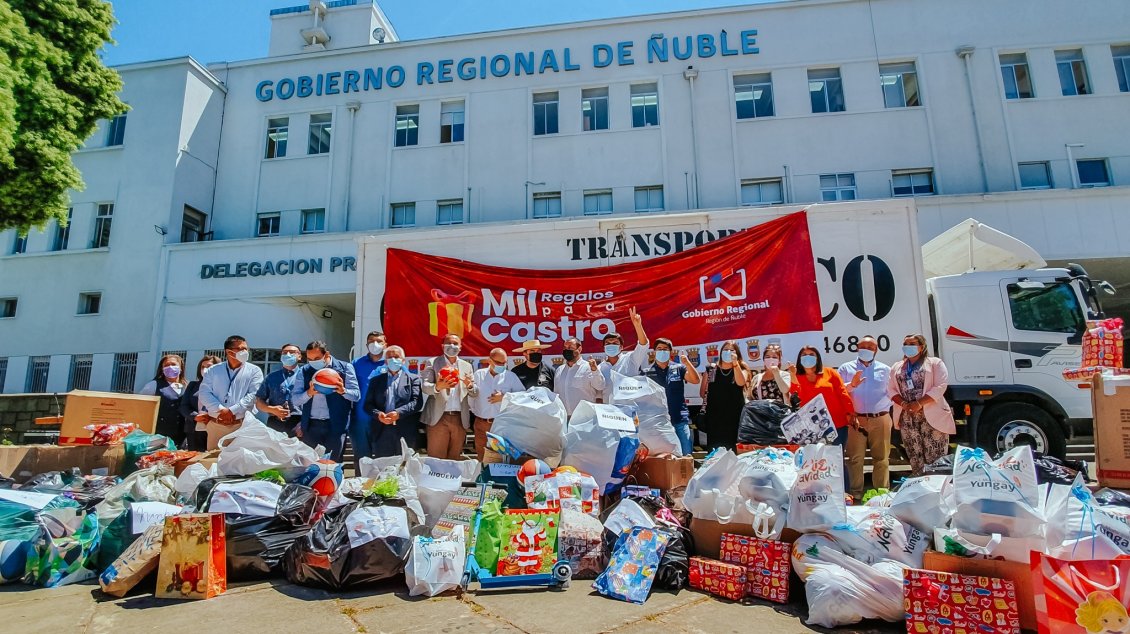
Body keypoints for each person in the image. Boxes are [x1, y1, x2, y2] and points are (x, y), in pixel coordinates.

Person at [791, 345, 858, 494]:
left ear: (818, 357)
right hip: (810, 430)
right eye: (804, 355)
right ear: (799, 359)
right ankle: (819, 494)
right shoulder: (795, 376)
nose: (808, 357)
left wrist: (851, 413)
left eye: (811, 354)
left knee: (836, 460)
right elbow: (793, 398)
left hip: (836, 425)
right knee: (814, 462)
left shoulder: (830, 373)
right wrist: (792, 377)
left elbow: (842, 393)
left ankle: (844, 494)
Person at [889, 333, 955, 476]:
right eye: (905, 344)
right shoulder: (897, 366)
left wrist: (919, 403)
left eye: (912, 344)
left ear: (921, 347)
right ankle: (919, 486)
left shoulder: (935, 363)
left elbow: (940, 386)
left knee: (935, 455)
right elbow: (890, 389)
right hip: (907, 417)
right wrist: (905, 404)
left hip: (931, 415)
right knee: (914, 454)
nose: (908, 347)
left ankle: (938, 488)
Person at [838, 336, 893, 500]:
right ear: (856, 348)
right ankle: (855, 494)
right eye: (863, 346)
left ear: (876, 350)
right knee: (855, 459)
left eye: (870, 347)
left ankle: (882, 495)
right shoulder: (845, 368)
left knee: (881, 458)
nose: (866, 349)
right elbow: (840, 394)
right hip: (855, 420)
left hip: (880, 418)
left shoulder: (886, 370)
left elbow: (893, 392)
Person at [291, 341, 360, 462]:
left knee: (332, 464)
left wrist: (343, 391)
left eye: (317, 358)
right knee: (310, 465)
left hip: (336, 426)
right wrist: (309, 393)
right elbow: (295, 400)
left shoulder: (344, 367)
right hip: (312, 426)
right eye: (310, 359)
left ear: (326, 355)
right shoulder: (304, 371)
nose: (313, 362)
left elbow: (356, 395)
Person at [198, 335, 265, 450]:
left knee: (240, 463)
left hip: (241, 425)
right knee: (214, 462)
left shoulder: (254, 371)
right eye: (241, 349)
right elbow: (204, 393)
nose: (245, 352)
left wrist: (232, 411)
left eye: (246, 349)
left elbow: (254, 394)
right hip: (217, 425)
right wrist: (221, 410)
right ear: (229, 352)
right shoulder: (213, 370)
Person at [421, 334, 478, 460]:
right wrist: (438, 387)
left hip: (459, 418)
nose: (452, 346)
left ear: (461, 347)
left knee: (454, 459)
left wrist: (469, 386)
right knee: (436, 460)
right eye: (448, 343)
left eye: (455, 343)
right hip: (439, 417)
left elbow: (474, 392)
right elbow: (425, 386)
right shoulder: (433, 362)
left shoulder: (467, 366)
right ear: (442, 346)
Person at [644, 338, 701, 455]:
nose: (662, 351)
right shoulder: (646, 372)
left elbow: (695, 380)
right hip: (658, 421)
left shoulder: (679, 368)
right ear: (654, 352)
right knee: (664, 456)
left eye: (665, 349)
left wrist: (687, 363)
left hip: (679, 418)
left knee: (686, 454)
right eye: (659, 349)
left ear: (670, 352)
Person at [363, 345, 422, 459]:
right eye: (390, 357)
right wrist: (378, 414)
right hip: (382, 430)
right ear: (385, 361)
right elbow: (367, 405)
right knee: (384, 465)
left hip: (405, 430)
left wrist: (398, 413)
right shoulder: (376, 381)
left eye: (396, 356)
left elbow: (416, 403)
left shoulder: (413, 379)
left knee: (405, 464)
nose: (393, 359)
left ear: (403, 360)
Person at [470, 347, 526, 460]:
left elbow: (523, 397)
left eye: (504, 362)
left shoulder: (510, 376)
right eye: (499, 362)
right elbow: (471, 398)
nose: (502, 365)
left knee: (501, 459)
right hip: (481, 424)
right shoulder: (478, 375)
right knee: (482, 458)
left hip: (501, 425)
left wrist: (504, 397)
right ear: (490, 361)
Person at [700, 340, 750, 450]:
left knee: (734, 449)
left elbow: (741, 382)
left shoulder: (741, 367)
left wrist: (735, 364)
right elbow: (703, 392)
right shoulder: (712, 368)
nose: (728, 352)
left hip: (735, 417)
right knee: (715, 450)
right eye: (726, 349)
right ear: (721, 352)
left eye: (732, 350)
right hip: (715, 417)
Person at [598, 307, 650, 401]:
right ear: (604, 347)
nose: (611, 345)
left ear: (621, 347)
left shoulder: (631, 359)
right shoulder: (600, 368)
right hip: (608, 413)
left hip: (629, 411)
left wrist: (638, 326)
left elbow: (643, 345)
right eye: (608, 343)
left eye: (615, 343)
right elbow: (598, 393)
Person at [352, 331, 388, 461]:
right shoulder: (356, 363)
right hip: (361, 418)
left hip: (384, 418)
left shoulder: (392, 362)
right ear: (367, 345)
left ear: (385, 344)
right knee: (362, 459)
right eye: (371, 341)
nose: (375, 344)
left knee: (384, 459)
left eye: (379, 341)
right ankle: (361, 481)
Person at [139, 354, 187, 447]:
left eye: (173, 364)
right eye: (166, 365)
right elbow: (141, 406)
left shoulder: (187, 386)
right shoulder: (153, 385)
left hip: (181, 436)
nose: (170, 367)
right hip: (160, 435)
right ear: (162, 369)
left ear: (181, 368)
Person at [255, 343, 303, 437]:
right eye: (284, 352)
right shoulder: (272, 377)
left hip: (299, 423)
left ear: (300, 356)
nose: (288, 355)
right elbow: (259, 401)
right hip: (275, 422)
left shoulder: (306, 376)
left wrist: (304, 423)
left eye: (292, 352)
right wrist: (272, 409)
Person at [553, 337, 605, 415]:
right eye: (565, 348)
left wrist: (594, 370)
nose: (567, 350)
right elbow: (556, 394)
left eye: (570, 347)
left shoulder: (589, 367)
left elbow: (600, 386)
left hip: (585, 418)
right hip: (564, 417)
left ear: (579, 349)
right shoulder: (559, 370)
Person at [180, 355, 220, 451]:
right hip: (194, 429)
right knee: (195, 460)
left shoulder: (223, 387)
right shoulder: (193, 385)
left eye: (209, 366)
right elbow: (183, 406)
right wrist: (195, 416)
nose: (205, 369)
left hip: (215, 427)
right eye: (203, 367)